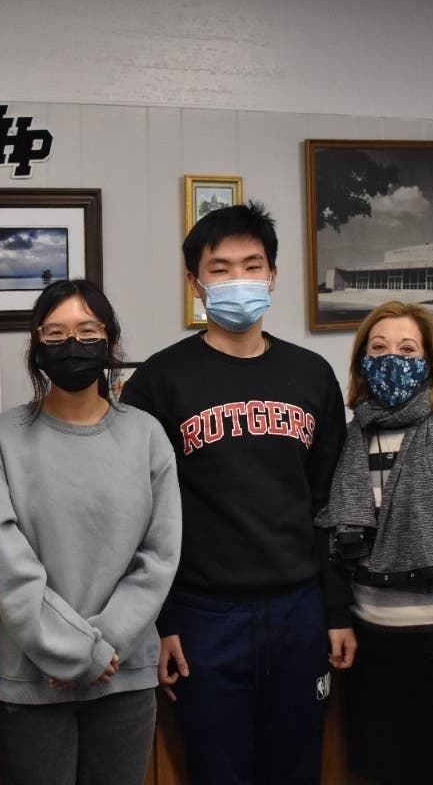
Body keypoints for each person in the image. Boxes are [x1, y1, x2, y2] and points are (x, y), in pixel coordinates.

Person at [120, 202, 352, 785]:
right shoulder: (159, 380)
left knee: (297, 767)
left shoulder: (312, 374)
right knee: (216, 769)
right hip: (204, 615)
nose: (238, 280)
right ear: (195, 283)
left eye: (252, 265)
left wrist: (336, 611)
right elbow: (142, 515)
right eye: (220, 268)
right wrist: (163, 622)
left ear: (273, 275)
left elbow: (330, 505)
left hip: (299, 610)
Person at [0, 279, 182, 785]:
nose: (72, 344)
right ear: (35, 346)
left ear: (110, 341)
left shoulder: (146, 435)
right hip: (32, 679)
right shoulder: (1, 438)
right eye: (56, 332)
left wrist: (102, 647)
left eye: (87, 331)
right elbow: (8, 562)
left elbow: (158, 556)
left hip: (124, 674)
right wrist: (72, 652)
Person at [316, 301, 433, 785]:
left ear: (429, 361)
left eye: (407, 348)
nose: (392, 359)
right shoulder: (352, 439)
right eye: (378, 349)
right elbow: (338, 543)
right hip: (374, 653)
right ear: (361, 362)